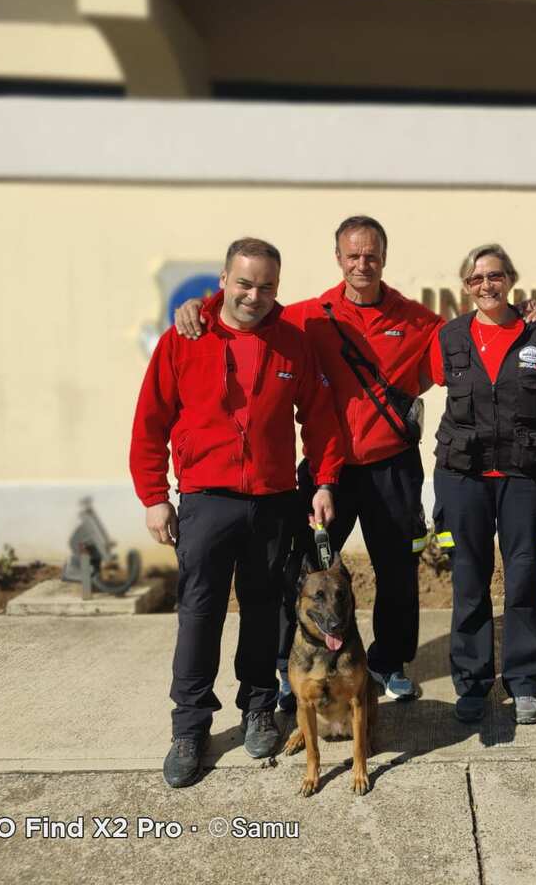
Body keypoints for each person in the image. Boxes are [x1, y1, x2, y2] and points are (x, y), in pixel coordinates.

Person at [176, 216, 442, 704]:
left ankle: (389, 661)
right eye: (353, 254)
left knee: (399, 572)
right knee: (298, 571)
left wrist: (524, 316)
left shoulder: (418, 319)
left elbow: (465, 345)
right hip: (328, 473)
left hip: (392, 467)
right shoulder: (309, 315)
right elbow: (249, 313)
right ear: (338, 257)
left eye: (372, 254)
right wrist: (198, 306)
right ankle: (287, 664)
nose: (363, 263)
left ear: (385, 256)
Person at [130, 237, 344, 788]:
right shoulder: (185, 337)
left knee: (261, 610)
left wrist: (322, 480)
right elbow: (151, 422)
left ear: (278, 286)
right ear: (223, 280)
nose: (255, 295)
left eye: (267, 285)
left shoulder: (292, 344)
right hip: (206, 500)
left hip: (273, 502)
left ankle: (257, 707)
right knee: (199, 613)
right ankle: (190, 725)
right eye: (244, 283)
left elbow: (318, 418)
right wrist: (155, 495)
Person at [427, 243, 536, 726]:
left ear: (510, 278)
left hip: (524, 476)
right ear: (465, 286)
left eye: (494, 276)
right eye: (475, 279)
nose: (486, 286)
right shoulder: (447, 337)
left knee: (524, 580)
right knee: (469, 583)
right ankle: (472, 682)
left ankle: (525, 681)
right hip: (462, 476)